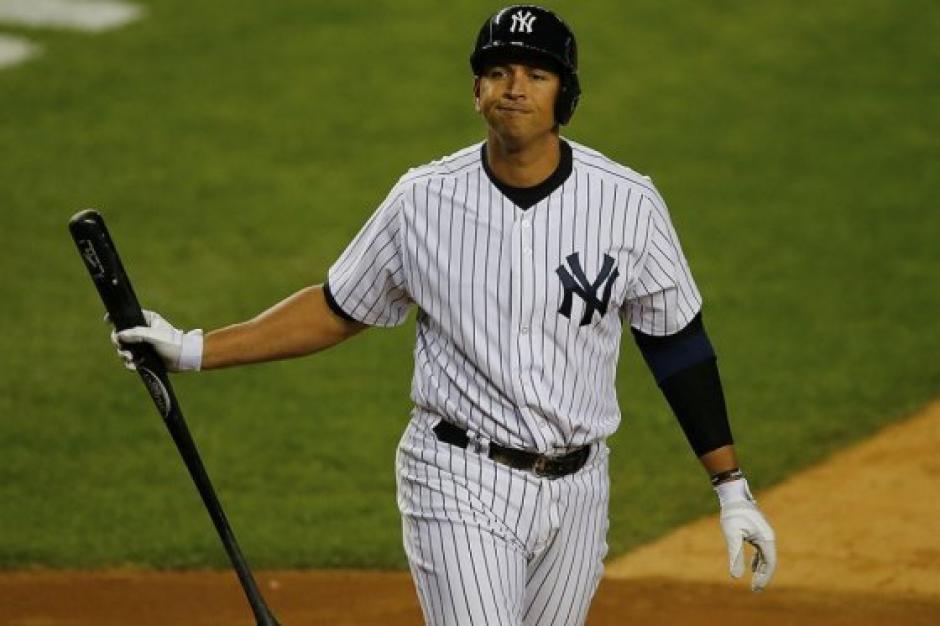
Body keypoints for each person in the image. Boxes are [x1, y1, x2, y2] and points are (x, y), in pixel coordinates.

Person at [110, 5, 776, 625]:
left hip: (580, 488)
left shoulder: (628, 203)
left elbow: (677, 344)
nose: (515, 86)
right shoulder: (422, 200)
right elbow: (339, 306)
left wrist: (731, 489)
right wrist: (194, 349)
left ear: (563, 98)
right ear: (477, 91)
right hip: (458, 475)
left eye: (536, 74)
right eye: (497, 72)